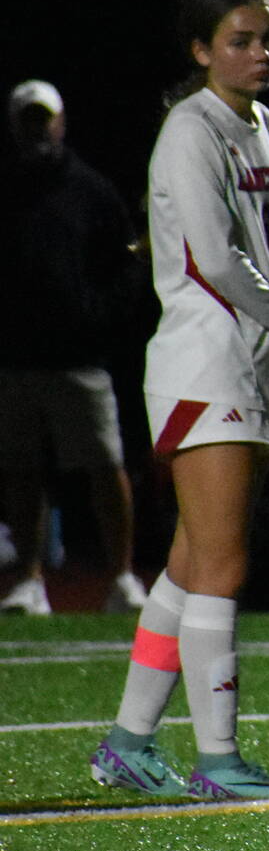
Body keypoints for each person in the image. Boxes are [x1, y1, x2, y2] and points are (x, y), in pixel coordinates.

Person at [88, 0, 269, 799]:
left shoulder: (259, 122)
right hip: (201, 361)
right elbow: (214, 258)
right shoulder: (191, 128)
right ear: (201, 49)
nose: (262, 52)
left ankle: (127, 741)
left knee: (190, 564)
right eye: (242, 40)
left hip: (249, 366)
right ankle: (217, 761)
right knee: (223, 563)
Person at [0, 79, 148, 617]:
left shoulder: (91, 190)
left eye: (45, 119)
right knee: (21, 470)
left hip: (80, 358)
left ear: (60, 123)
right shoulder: (7, 188)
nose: (38, 129)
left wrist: (98, 322)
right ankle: (30, 580)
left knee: (105, 467)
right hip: (17, 360)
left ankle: (123, 578)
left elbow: (126, 266)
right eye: (28, 120)